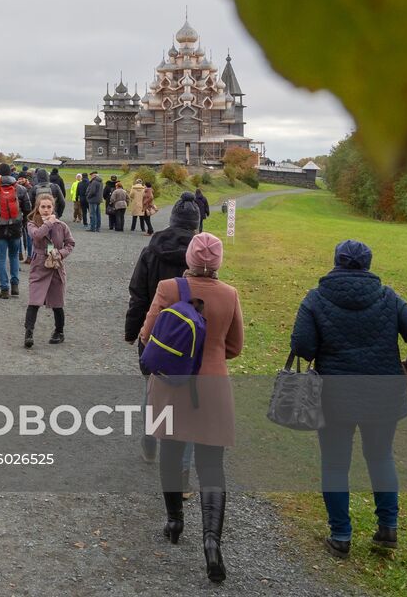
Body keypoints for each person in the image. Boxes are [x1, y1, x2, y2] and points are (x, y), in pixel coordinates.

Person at [290, 239, 407, 558]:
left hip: (333, 394)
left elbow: (302, 346)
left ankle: (341, 535)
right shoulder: (388, 298)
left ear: (336, 262)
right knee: (381, 457)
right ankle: (387, 529)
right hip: (383, 393)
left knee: (334, 464)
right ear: (368, 265)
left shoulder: (315, 299)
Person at [139, 232, 243, 585]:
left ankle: (174, 521)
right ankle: (212, 543)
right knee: (212, 466)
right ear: (218, 262)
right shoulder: (229, 294)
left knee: (171, 454)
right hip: (213, 388)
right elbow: (235, 346)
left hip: (173, 387)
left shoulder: (169, 288)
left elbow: (147, 335)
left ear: (189, 257)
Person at [124, 191, 200, 462]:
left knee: (152, 388)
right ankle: (181, 464)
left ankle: (149, 435)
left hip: (154, 332)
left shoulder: (151, 251)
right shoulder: (201, 257)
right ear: (196, 224)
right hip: (190, 337)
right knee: (189, 395)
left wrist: (132, 332)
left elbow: (139, 294)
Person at [24, 193, 75, 348]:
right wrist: (49, 223)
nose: (46, 210)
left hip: (56, 265)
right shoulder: (32, 224)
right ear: (37, 208)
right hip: (39, 264)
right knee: (34, 300)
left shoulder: (62, 226)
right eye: (43, 207)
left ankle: (59, 332)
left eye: (49, 207)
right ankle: (28, 333)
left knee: (57, 301)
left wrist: (61, 253)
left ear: (53, 207)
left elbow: (70, 243)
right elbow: (38, 236)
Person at [0, 163, 32, 299]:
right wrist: (22, 222)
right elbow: (28, 208)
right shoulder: (20, 189)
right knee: (14, 256)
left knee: (1, 258)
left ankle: (4, 288)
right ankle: (15, 285)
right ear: (11, 173)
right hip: (15, 227)